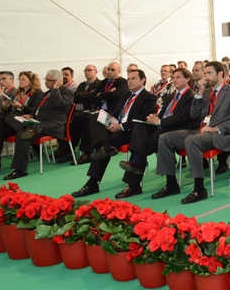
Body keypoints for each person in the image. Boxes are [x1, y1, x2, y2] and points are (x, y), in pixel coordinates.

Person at [152, 61, 230, 204]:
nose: (205, 76)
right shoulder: (207, 92)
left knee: (192, 140)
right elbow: (195, 115)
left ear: (220, 74)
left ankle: (199, 188)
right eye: (205, 73)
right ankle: (171, 184)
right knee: (165, 138)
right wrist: (199, 94)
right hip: (200, 130)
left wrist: (216, 128)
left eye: (209, 73)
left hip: (220, 133)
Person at [114, 67, 198, 198]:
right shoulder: (171, 96)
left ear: (187, 79)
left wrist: (159, 122)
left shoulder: (191, 96)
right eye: (173, 77)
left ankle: (135, 175)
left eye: (178, 77)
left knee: (146, 142)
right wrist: (154, 118)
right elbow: (163, 113)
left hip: (181, 129)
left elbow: (183, 117)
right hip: (164, 126)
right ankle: (136, 174)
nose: (174, 80)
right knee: (140, 127)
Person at [71, 69, 156, 197]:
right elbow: (115, 111)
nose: (130, 81)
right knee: (95, 118)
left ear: (142, 80)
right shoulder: (126, 95)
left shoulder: (149, 97)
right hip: (117, 127)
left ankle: (133, 185)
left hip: (134, 130)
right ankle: (93, 181)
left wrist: (120, 126)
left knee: (134, 135)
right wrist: (108, 120)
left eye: (134, 78)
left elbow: (142, 119)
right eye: (128, 79)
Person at [0, 71, 42, 176]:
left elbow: (36, 111)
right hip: (16, 122)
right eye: (19, 79)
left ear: (31, 81)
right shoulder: (18, 93)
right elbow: (7, 110)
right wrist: (6, 106)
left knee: (1, 120)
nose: (20, 81)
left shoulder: (37, 93)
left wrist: (21, 106)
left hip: (28, 122)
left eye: (23, 79)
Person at [62, 64, 102, 164]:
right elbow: (76, 99)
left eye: (89, 70)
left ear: (95, 72)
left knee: (86, 123)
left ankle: (87, 153)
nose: (87, 72)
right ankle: (68, 151)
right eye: (85, 70)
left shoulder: (100, 84)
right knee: (72, 123)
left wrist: (84, 97)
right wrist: (87, 97)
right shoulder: (82, 85)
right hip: (82, 112)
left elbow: (96, 99)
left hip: (95, 112)